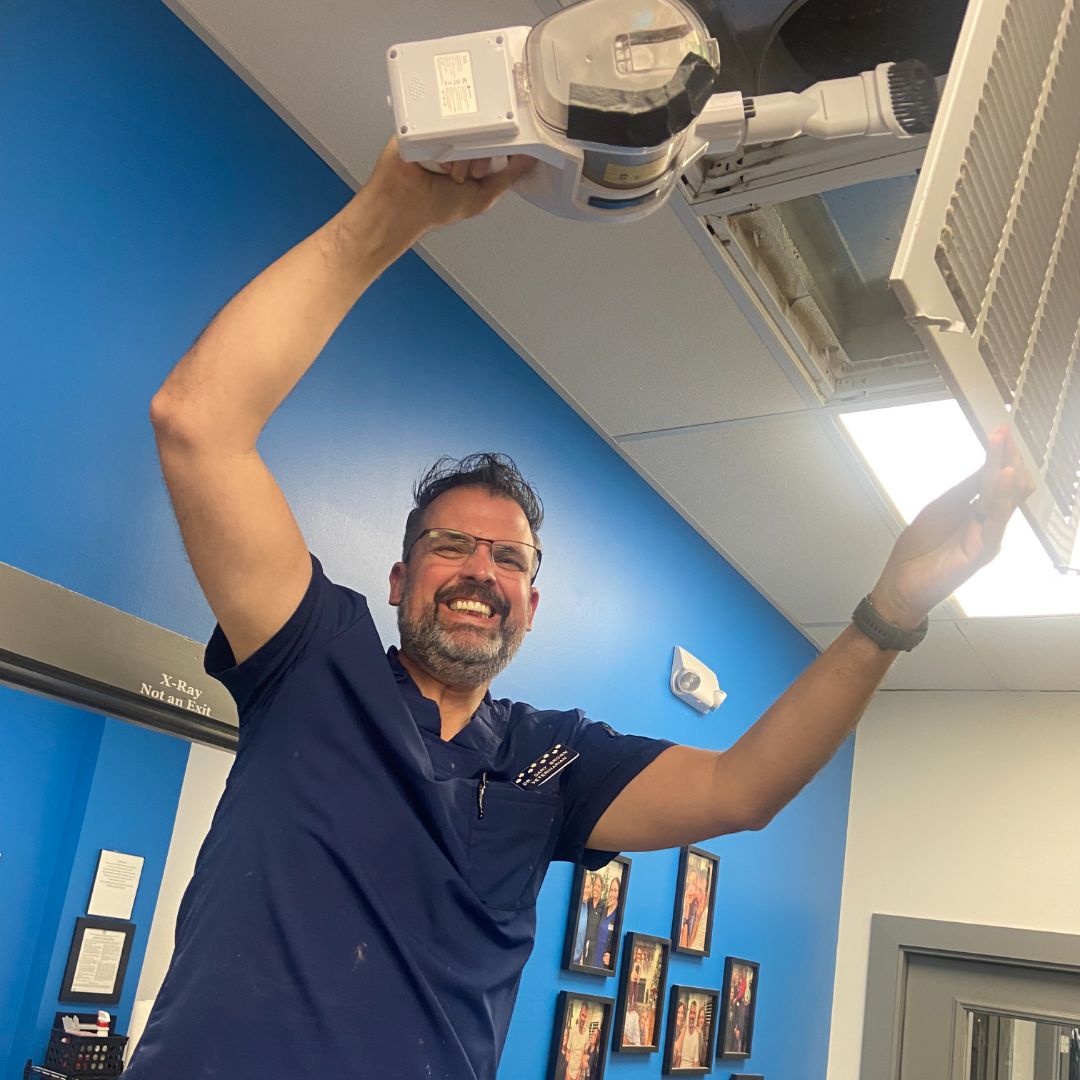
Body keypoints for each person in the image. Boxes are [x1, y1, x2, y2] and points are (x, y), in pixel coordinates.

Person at [129, 135, 1034, 1080]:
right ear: (399, 579)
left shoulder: (552, 759)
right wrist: (390, 216)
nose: (480, 572)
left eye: (509, 558)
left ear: (531, 601)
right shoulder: (315, 661)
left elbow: (743, 789)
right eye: (449, 546)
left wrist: (888, 612)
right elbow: (198, 423)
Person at [593, 872, 621, 969]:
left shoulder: (618, 915)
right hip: (594, 957)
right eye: (611, 890)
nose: (612, 894)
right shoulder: (603, 910)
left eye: (615, 891)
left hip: (605, 963)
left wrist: (613, 957)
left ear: (620, 893)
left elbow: (620, 942)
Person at [581, 871, 605, 966]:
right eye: (595, 885)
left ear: (601, 889)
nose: (596, 888)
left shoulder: (603, 906)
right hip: (583, 943)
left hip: (594, 947)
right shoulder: (587, 902)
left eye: (599, 886)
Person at [563, 1002, 592, 1080]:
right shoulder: (572, 1031)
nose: (583, 1019)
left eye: (585, 1016)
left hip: (578, 1073)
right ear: (579, 1015)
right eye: (582, 1015)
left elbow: (584, 1053)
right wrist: (568, 1071)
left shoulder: (587, 1033)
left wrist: (581, 1071)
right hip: (569, 1071)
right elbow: (568, 1052)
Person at [572, 873, 594, 965]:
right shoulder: (574, 906)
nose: (586, 890)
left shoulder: (587, 906)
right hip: (570, 958)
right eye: (584, 887)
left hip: (577, 961)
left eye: (588, 887)